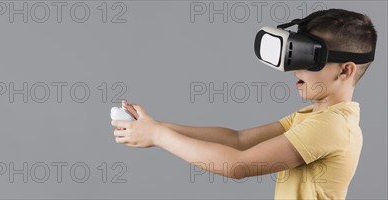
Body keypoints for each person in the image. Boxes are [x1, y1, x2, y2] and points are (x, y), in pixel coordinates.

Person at [111, 9, 377, 199]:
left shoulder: (332, 126)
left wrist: (158, 136)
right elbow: (238, 140)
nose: (295, 71)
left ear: (345, 71)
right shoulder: (311, 116)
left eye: (310, 59)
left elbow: (238, 165)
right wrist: (156, 126)